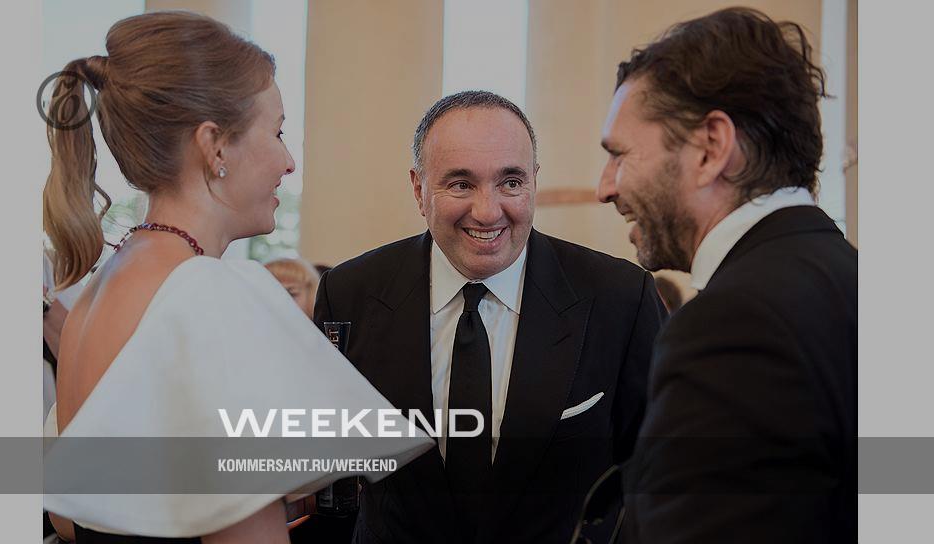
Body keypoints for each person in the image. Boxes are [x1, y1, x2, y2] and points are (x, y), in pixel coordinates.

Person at [41, 11, 431, 543]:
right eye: (277, 131)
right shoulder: (208, 294)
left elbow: (69, 521)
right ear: (215, 146)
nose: (289, 161)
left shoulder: (98, 294)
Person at [314, 90, 665, 543]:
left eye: (511, 182)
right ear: (419, 189)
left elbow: (656, 475)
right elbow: (334, 477)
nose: (487, 211)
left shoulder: (620, 297)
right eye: (461, 184)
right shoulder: (350, 294)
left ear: (534, 181)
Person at [594, 7, 856, 542]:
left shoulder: (734, 324)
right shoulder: (851, 278)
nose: (605, 187)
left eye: (619, 156)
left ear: (711, 147)